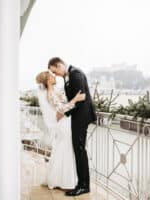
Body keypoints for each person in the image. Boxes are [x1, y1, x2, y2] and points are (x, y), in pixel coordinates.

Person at [48, 57, 97, 196]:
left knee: (80, 149)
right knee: (78, 149)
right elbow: (73, 99)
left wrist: (65, 112)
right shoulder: (68, 76)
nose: (55, 75)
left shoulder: (76, 74)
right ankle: (81, 183)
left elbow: (80, 99)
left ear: (59, 65)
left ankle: (84, 186)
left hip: (81, 117)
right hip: (77, 117)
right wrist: (66, 111)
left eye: (55, 71)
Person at [36, 71, 85, 190]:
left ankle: (61, 178)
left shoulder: (55, 91)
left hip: (66, 121)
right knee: (65, 148)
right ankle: (64, 180)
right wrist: (76, 100)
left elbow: (62, 106)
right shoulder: (50, 93)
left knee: (63, 148)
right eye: (52, 76)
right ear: (48, 81)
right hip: (64, 124)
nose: (54, 76)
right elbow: (62, 109)